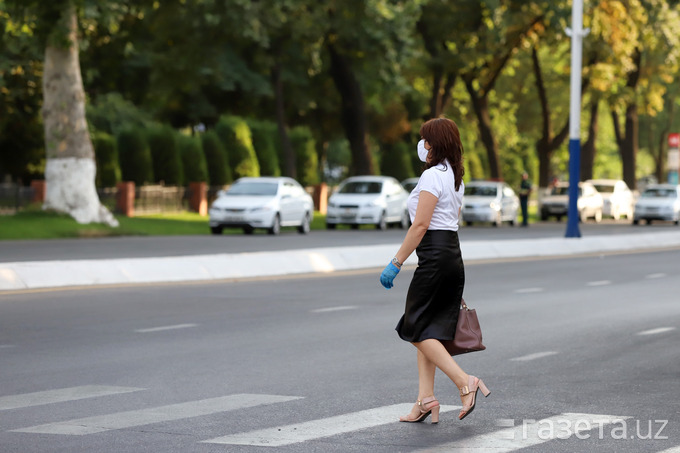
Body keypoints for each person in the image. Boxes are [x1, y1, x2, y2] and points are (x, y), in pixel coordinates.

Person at [379, 117, 490, 424]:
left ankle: (464, 381)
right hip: (451, 255)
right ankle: (425, 399)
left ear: (435, 144)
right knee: (429, 329)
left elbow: (421, 225)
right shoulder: (455, 176)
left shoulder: (431, 177)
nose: (422, 145)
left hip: (435, 257)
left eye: (426, 140)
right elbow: (447, 220)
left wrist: (396, 262)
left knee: (414, 328)